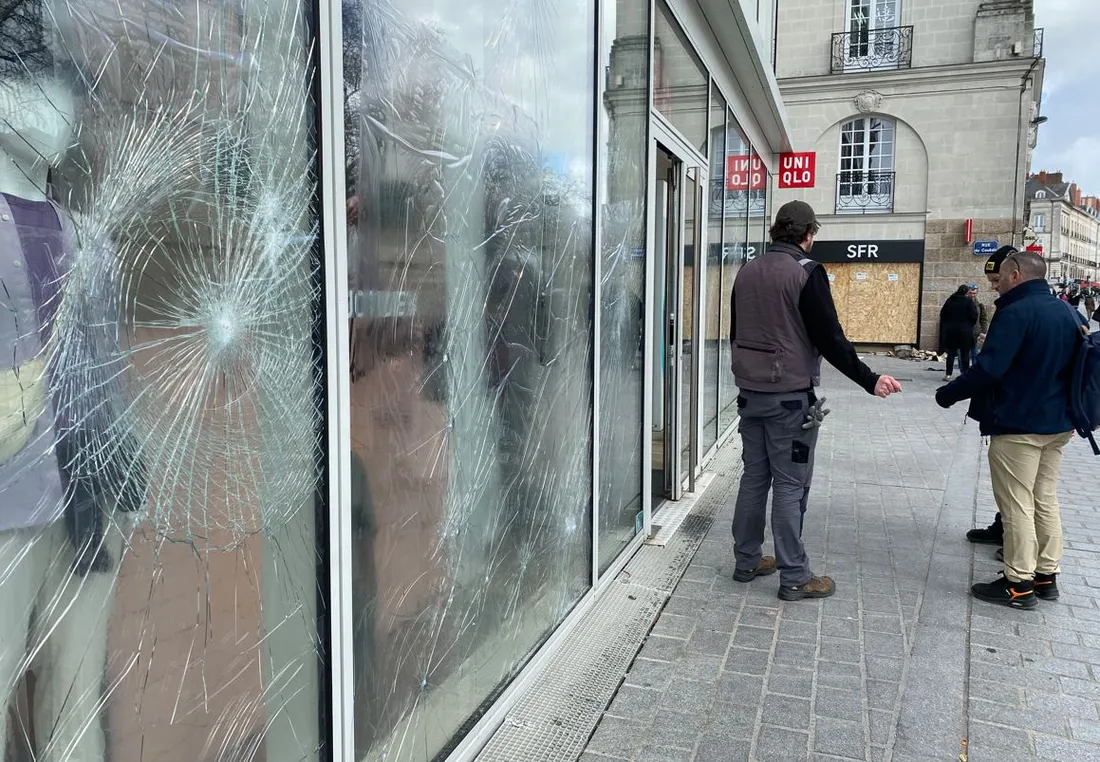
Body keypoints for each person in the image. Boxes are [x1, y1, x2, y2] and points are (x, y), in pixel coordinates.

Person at [728, 200, 902, 601]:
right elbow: (831, 338)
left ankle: (747, 560)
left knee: (754, 478)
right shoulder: (807, 273)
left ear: (775, 232)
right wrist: (869, 380)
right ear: (809, 235)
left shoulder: (747, 271)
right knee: (790, 485)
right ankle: (794, 575)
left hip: (749, 394)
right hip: (789, 399)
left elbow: (738, 331)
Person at [936, 250, 1085, 609]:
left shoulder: (1015, 313)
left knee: (1016, 504)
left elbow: (989, 369)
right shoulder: (1068, 311)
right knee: (1044, 498)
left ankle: (1018, 583)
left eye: (1000, 277)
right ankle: (1047, 575)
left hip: (1019, 424)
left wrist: (948, 394)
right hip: (1059, 424)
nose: (996, 284)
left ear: (1016, 275)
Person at [938, 285, 979, 381]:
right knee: (965, 353)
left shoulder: (950, 300)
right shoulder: (968, 302)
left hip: (951, 331)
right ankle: (965, 374)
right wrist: (969, 325)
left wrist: (948, 325)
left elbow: (943, 314)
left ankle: (948, 374)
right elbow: (974, 316)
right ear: (966, 292)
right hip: (965, 331)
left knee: (951, 353)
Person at [969, 284, 989, 366]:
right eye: (970, 293)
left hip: (976, 333)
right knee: (963, 355)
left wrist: (983, 331)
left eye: (974, 293)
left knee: (975, 354)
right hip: (964, 333)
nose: (972, 295)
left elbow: (984, 319)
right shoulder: (963, 303)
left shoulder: (979, 305)